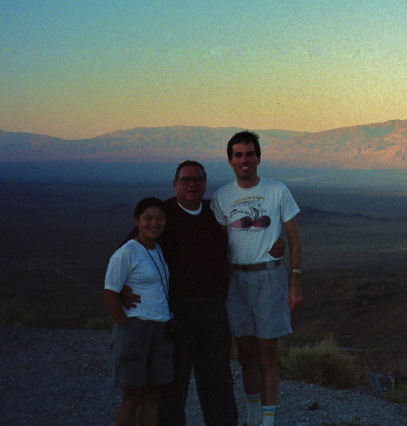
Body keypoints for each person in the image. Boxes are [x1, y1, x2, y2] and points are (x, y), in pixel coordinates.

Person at [120, 161, 285, 426]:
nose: (192, 184)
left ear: (205, 183)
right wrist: (120, 288)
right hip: (176, 309)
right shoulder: (163, 214)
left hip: (213, 307)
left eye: (197, 179)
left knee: (217, 378)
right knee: (174, 380)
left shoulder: (216, 211)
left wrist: (275, 244)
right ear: (175, 184)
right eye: (185, 179)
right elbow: (132, 248)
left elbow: (249, 234)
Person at [211, 131, 303, 426]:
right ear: (230, 161)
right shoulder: (222, 197)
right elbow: (219, 244)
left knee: (267, 355)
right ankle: (252, 418)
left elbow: (294, 240)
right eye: (238, 155)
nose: (244, 159)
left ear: (258, 158)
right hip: (236, 281)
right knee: (246, 355)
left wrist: (295, 282)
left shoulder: (277, 191)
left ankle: (268, 420)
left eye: (249, 153)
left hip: (269, 278)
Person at [104, 197, 175, 426]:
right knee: (132, 396)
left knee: (153, 394)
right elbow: (111, 292)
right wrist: (124, 325)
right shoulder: (127, 252)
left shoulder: (158, 249)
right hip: (136, 327)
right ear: (137, 221)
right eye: (148, 219)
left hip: (160, 328)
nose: (154, 224)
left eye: (159, 218)